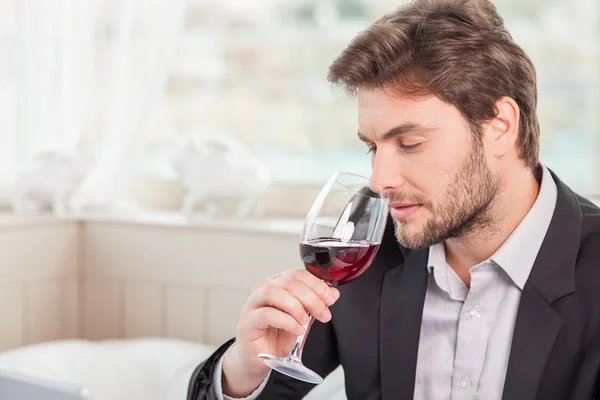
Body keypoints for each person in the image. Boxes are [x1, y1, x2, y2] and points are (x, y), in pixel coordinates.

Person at [188, 0, 600, 399]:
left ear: (500, 126)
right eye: (372, 147)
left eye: (410, 143)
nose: (380, 181)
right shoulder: (366, 248)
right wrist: (243, 370)